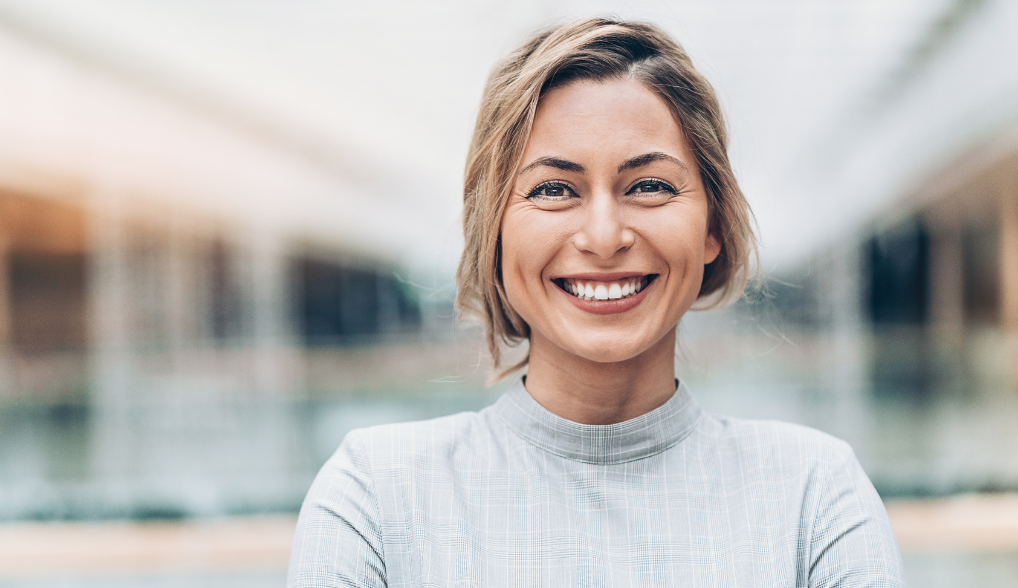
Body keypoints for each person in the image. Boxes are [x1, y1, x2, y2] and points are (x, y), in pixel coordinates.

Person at [287, 17, 905, 587]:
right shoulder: (375, 496)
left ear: (713, 226)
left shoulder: (814, 495)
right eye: (554, 189)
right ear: (494, 230)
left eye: (650, 186)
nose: (605, 237)